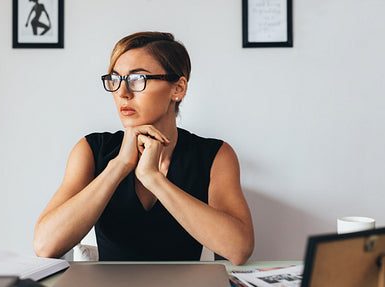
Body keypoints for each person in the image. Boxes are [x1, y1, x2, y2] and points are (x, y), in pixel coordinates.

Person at [33, 32, 254, 265]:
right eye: (115, 79)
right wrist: (119, 166)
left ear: (177, 89)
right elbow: (45, 245)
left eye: (138, 79)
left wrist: (153, 178)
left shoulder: (215, 155)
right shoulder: (91, 149)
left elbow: (238, 249)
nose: (122, 92)